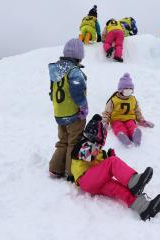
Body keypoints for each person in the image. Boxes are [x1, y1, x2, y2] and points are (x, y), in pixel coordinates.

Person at [71, 114, 160, 221]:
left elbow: (105, 168)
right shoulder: (81, 144)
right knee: (112, 162)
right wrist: (107, 156)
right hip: (85, 179)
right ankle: (134, 181)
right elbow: (89, 154)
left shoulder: (101, 152)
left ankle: (144, 207)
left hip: (97, 184)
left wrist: (108, 156)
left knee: (119, 188)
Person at [48, 39, 88, 182]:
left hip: (60, 113)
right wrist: (83, 107)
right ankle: (70, 172)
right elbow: (77, 92)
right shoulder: (74, 71)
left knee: (63, 140)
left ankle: (55, 168)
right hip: (74, 114)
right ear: (78, 55)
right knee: (74, 142)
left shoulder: (56, 70)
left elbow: (51, 92)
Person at [102, 73, 154, 146]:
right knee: (118, 126)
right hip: (116, 119)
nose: (128, 90)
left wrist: (142, 120)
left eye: (130, 89)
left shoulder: (133, 99)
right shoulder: (113, 100)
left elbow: (137, 111)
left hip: (130, 118)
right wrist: (105, 122)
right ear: (121, 90)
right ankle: (123, 135)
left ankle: (135, 134)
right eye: (126, 88)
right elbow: (107, 112)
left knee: (131, 125)